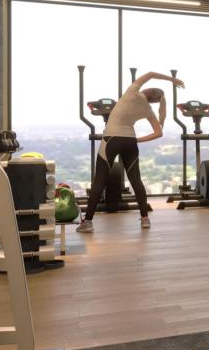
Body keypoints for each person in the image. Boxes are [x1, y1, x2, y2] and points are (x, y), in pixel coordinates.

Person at [77, 71, 184, 232]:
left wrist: (172, 79)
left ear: (147, 90)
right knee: (136, 181)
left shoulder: (132, 92)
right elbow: (158, 133)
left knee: (99, 180)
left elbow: (151, 74)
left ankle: (88, 222)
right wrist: (137, 140)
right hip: (130, 142)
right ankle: (145, 219)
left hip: (111, 140)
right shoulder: (148, 109)